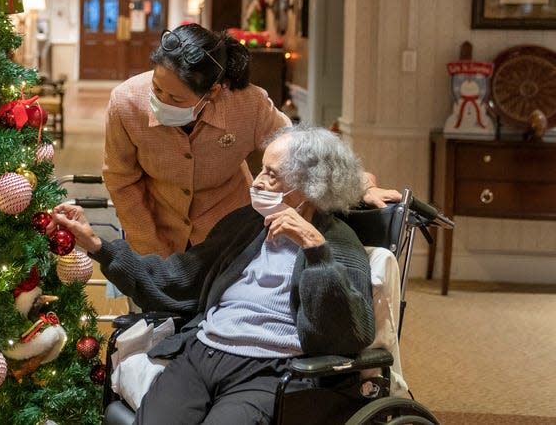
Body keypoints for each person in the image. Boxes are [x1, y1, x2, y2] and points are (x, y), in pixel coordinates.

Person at [50, 125, 375, 425]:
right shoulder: (246, 225)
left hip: (267, 372)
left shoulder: (335, 242)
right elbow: (175, 279)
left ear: (308, 187)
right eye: (261, 169)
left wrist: (315, 251)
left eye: (271, 175)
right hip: (202, 353)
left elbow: (348, 333)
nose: (258, 181)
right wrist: (97, 246)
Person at [104, 23, 398, 257]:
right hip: (157, 228)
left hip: (232, 232)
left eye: (176, 98)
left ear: (214, 92)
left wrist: (362, 185)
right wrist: (151, 250)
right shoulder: (125, 102)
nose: (161, 100)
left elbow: (303, 150)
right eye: (157, 89)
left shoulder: (247, 104)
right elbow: (122, 181)